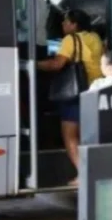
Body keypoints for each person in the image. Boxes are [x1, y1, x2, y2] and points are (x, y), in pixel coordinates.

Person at [37, 9, 103, 184]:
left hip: (75, 94)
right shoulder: (94, 37)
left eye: (66, 22)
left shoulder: (70, 40)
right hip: (94, 90)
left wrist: (32, 64)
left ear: (74, 25)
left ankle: (84, 174)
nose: (62, 24)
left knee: (70, 135)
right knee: (87, 135)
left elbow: (56, 64)